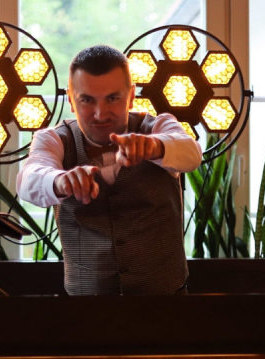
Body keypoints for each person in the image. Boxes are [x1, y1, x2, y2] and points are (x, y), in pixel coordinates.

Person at [16, 45, 202, 295]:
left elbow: (191, 153)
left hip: (166, 298)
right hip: (86, 304)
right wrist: (59, 181)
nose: (100, 114)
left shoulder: (159, 126)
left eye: (113, 98)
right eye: (87, 100)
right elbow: (28, 179)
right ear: (71, 99)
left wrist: (155, 147)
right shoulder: (54, 139)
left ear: (131, 96)